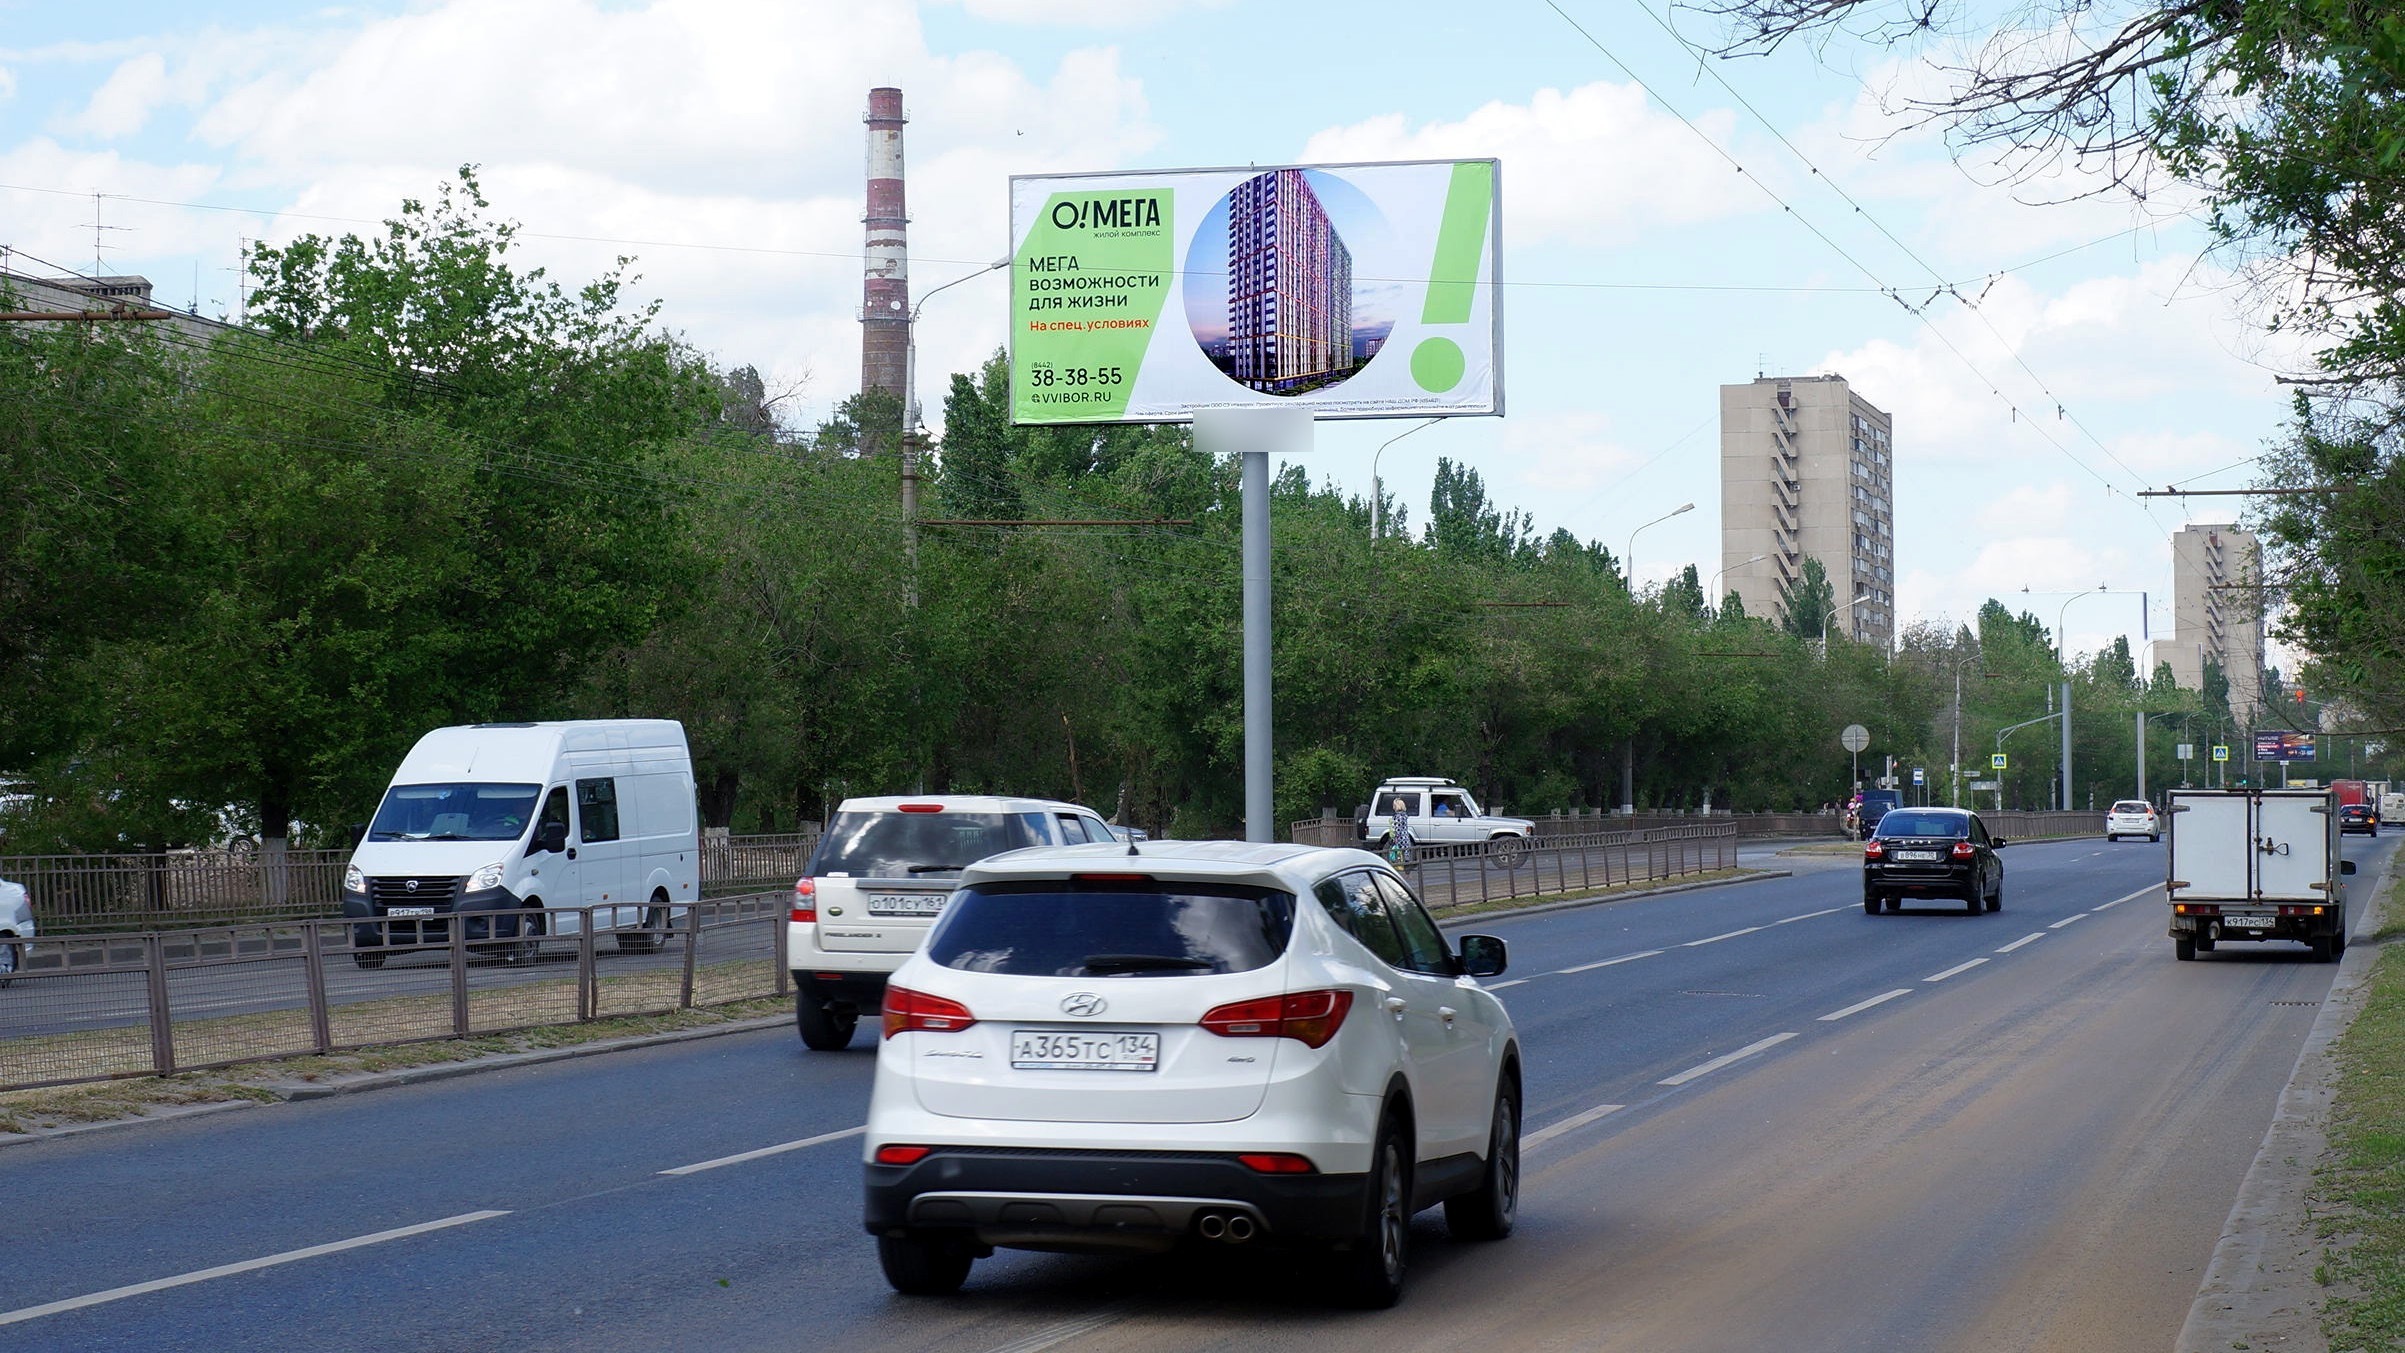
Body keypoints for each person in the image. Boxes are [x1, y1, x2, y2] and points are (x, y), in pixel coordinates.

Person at [1386, 796, 1414, 865]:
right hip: (1405, 838)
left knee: (1398, 855)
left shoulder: (1398, 816)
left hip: (1399, 839)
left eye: (1394, 805)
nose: (1393, 807)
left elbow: (1397, 829)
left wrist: (1394, 838)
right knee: (1405, 855)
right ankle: (1407, 868)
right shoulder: (1404, 815)